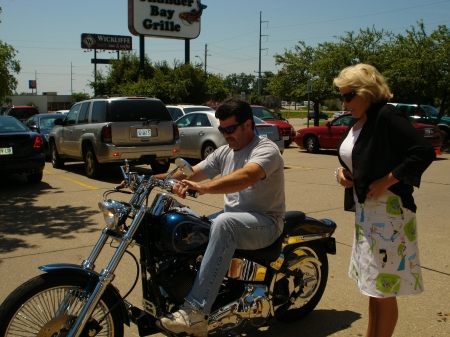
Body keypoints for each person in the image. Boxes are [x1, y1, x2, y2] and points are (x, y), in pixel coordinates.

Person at [156, 97, 285, 336]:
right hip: (238, 221)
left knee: (225, 223)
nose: (226, 135)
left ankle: (196, 310)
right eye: (222, 130)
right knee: (183, 220)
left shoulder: (265, 149)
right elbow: (192, 172)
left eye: (230, 129)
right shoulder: (224, 152)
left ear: (248, 125)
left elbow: (248, 175)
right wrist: (150, 179)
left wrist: (205, 188)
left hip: (265, 222)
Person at [333, 63, 436, 337]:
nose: (343, 103)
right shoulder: (360, 120)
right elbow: (352, 159)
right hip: (366, 216)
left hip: (389, 216)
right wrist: (342, 174)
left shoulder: (387, 116)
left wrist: (388, 181)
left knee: (384, 290)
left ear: (366, 92)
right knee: (373, 287)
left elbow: (423, 152)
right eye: (341, 96)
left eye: (347, 96)